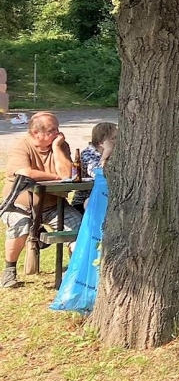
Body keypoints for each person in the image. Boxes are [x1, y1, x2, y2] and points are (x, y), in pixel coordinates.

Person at [1, 112, 83, 289]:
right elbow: (26, 172)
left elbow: (67, 174)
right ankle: (9, 270)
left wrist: (57, 148)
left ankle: (75, 270)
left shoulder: (61, 145)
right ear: (36, 133)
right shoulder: (21, 147)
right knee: (19, 226)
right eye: (53, 130)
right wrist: (55, 177)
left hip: (54, 205)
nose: (58, 133)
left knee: (79, 228)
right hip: (19, 206)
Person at [74, 121, 117, 213]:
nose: (117, 141)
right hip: (85, 201)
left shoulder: (117, 154)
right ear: (101, 142)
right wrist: (106, 153)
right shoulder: (88, 154)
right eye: (113, 138)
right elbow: (97, 173)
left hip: (108, 198)